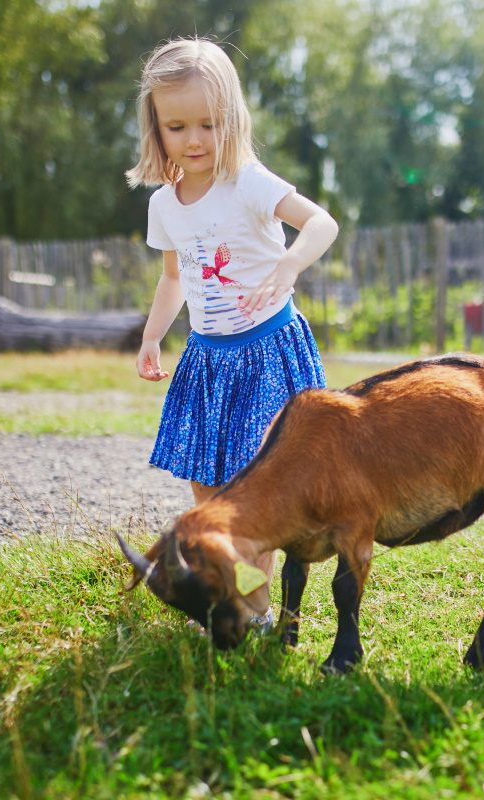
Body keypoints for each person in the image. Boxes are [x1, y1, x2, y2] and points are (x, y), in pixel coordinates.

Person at [125, 38, 338, 579]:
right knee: (207, 488)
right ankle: (232, 587)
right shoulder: (163, 204)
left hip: (267, 352)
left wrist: (289, 265)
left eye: (209, 123)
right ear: (155, 125)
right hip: (207, 361)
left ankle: (255, 603)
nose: (194, 139)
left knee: (256, 489)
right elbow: (175, 277)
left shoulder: (248, 182)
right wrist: (152, 336)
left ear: (232, 118)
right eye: (177, 127)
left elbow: (321, 223)